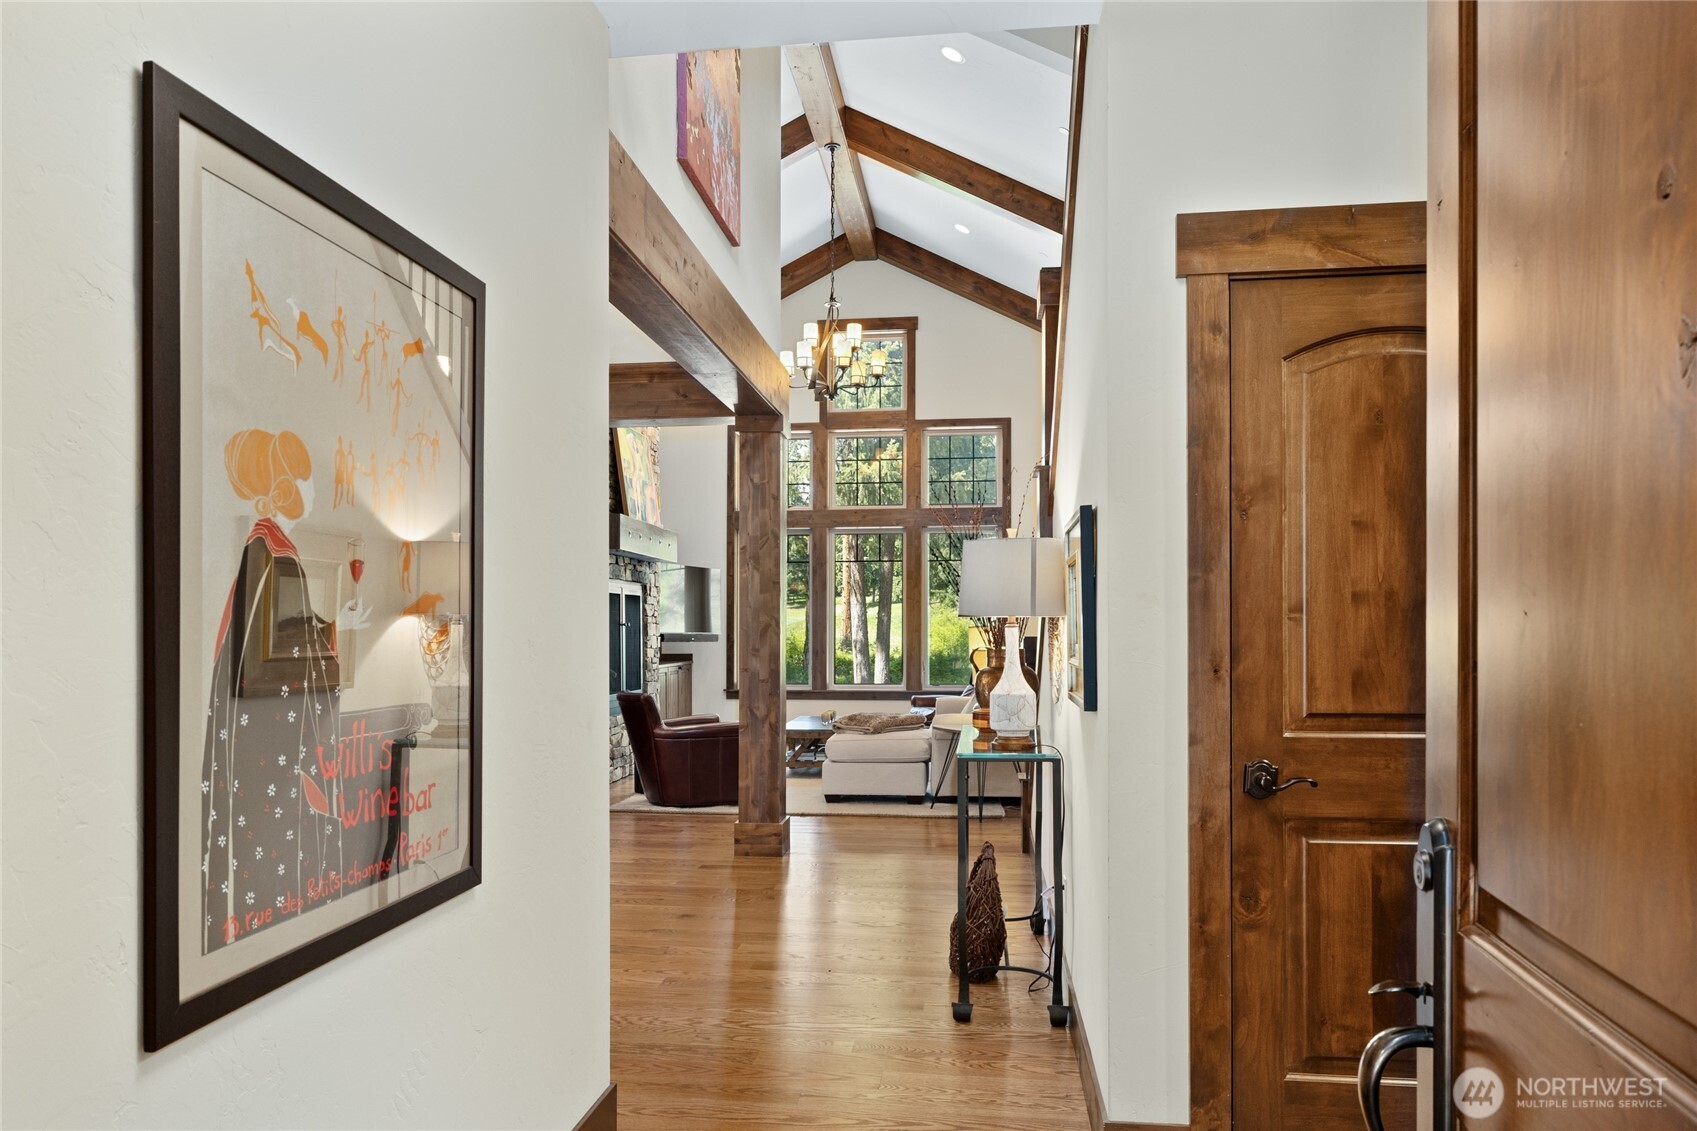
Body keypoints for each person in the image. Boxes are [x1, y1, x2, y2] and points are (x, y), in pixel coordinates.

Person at [200, 428, 370, 953]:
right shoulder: (271, 553)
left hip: (259, 743)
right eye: (306, 480)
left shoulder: (269, 549)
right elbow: (276, 655)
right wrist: (329, 637)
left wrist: (333, 625)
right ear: (281, 491)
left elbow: (288, 635)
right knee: (271, 858)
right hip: (266, 748)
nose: (313, 489)